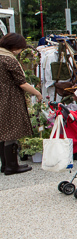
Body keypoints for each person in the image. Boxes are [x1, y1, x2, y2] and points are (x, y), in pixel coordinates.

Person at [0, 33, 42, 175]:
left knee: (3, 131)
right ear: (14, 47)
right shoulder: (9, 59)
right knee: (12, 130)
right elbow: (22, 83)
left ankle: (5, 165)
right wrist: (36, 93)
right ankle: (12, 166)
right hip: (10, 98)